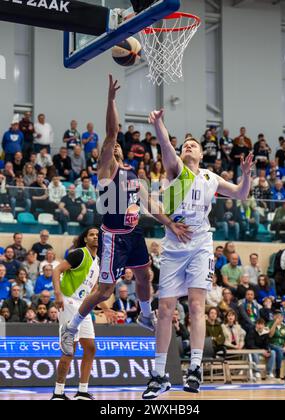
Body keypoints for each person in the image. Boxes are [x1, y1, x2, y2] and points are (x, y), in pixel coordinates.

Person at [60, 76, 189, 362]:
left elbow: (151, 203)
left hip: (134, 235)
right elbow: (111, 131)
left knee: (145, 275)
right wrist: (111, 100)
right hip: (114, 236)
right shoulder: (107, 168)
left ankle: (144, 316)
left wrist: (169, 223)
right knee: (105, 290)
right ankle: (71, 327)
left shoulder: (133, 175)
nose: (115, 146)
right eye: (112, 145)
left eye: (118, 146)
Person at [142, 107, 253, 399]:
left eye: (194, 145)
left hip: (201, 243)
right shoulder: (176, 170)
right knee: (165, 309)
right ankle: (158, 375)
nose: (187, 146)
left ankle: (194, 369)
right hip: (174, 245)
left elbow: (241, 194)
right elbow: (166, 145)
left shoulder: (211, 178)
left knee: (195, 304)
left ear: (202, 155)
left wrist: (247, 175)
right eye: (185, 145)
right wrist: (159, 124)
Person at [51, 227, 113, 400]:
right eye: (92, 235)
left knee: (91, 347)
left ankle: (82, 391)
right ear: (86, 239)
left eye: (97, 235)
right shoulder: (79, 254)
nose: (95, 237)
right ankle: (58, 392)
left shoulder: (100, 262)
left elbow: (94, 291)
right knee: (70, 349)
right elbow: (57, 270)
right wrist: (57, 294)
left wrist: (106, 308)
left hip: (83, 305)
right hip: (68, 301)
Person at [268, 311, 285, 378]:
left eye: (280, 316)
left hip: (282, 346)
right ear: (274, 317)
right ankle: (278, 370)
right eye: (276, 316)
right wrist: (275, 324)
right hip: (272, 344)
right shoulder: (269, 324)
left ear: (282, 318)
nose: (278, 318)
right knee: (279, 349)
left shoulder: (284, 327)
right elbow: (270, 335)